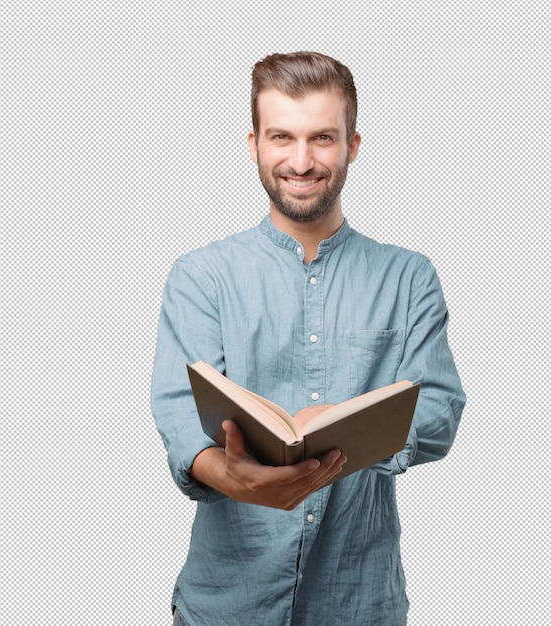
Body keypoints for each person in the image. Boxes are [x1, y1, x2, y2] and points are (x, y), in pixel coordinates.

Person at [151, 51, 465, 626]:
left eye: (323, 137)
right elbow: (179, 414)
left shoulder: (410, 276)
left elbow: (440, 409)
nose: (301, 161)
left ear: (352, 145)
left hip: (359, 604)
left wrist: (350, 425)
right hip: (225, 606)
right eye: (281, 138)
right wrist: (235, 479)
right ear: (254, 144)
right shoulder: (201, 275)